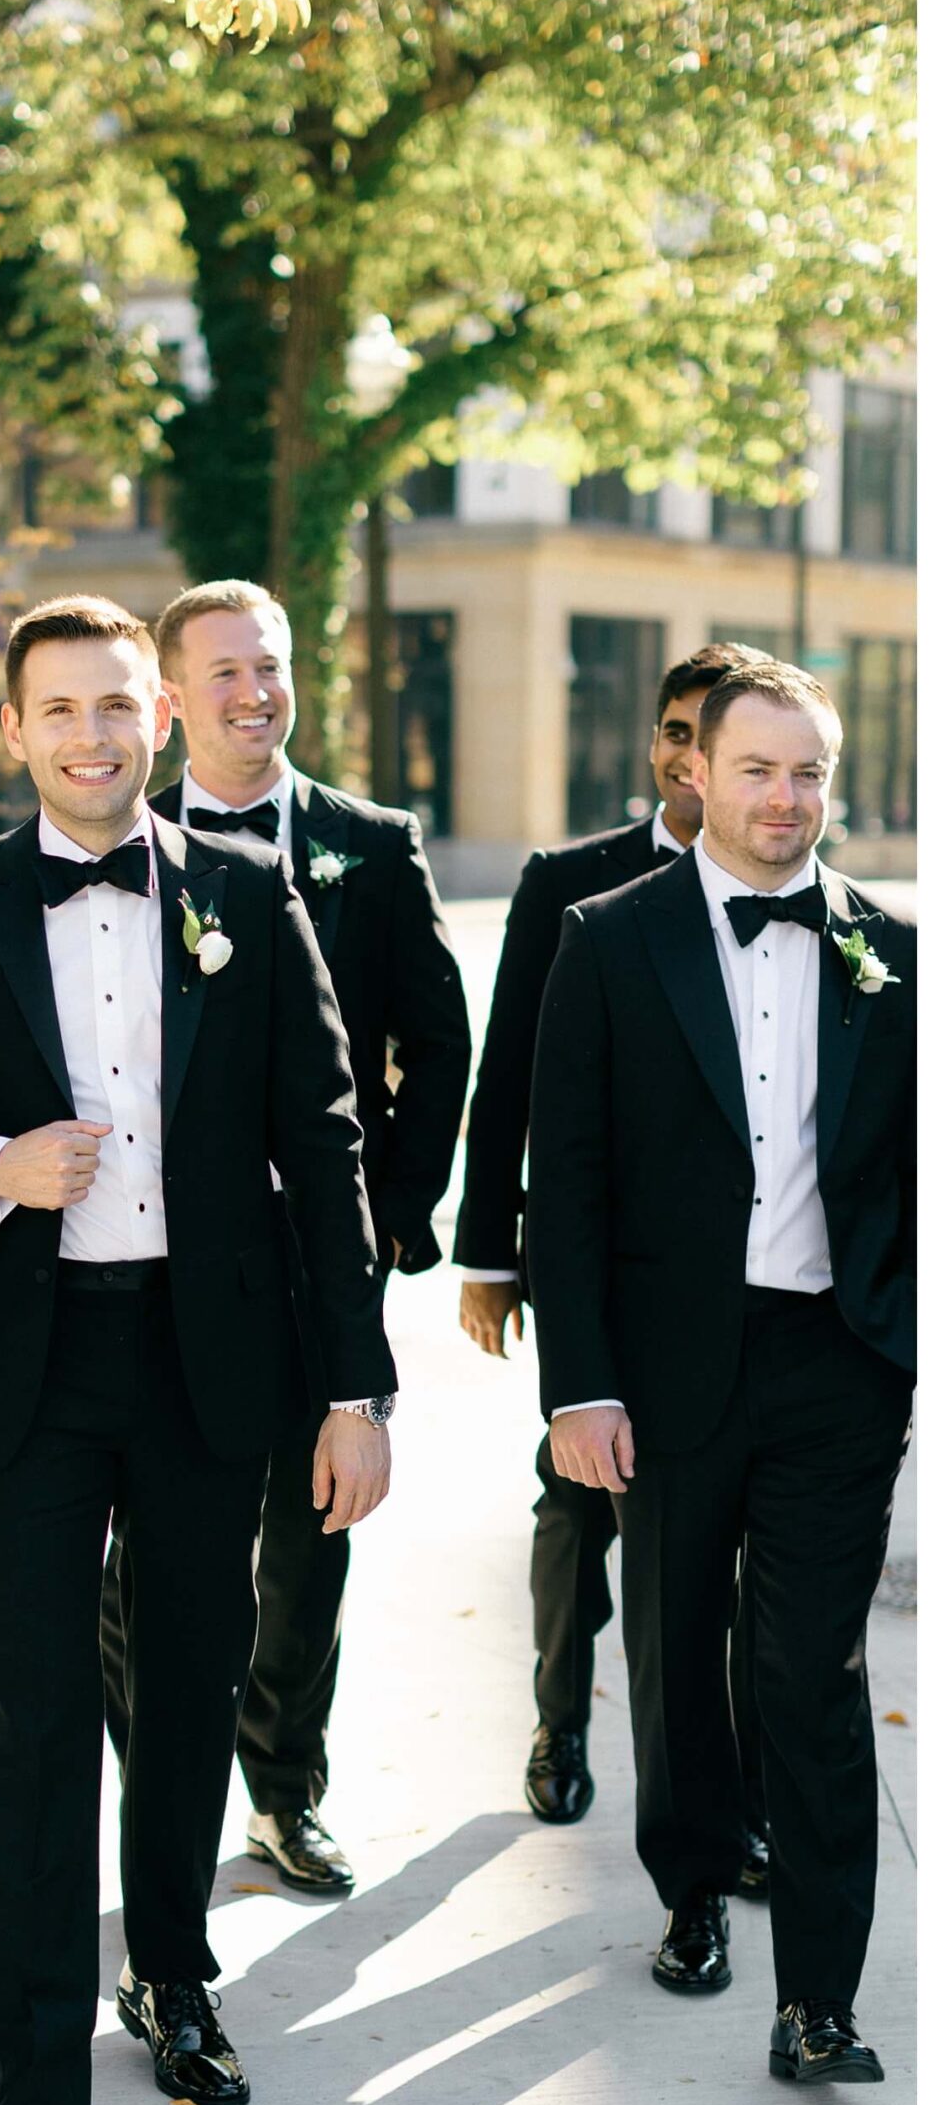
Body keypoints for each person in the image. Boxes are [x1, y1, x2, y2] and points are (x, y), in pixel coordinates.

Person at [0, 595, 397, 2105]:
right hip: (31, 1371)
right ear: (14, 733)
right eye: (56, 711)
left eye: (115, 706)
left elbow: (326, 1142)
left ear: (161, 720)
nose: (88, 736)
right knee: (38, 1732)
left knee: (196, 1696)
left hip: (216, 1368)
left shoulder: (246, 893)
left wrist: (354, 1389)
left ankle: (174, 1973)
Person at [528, 660, 913, 2084]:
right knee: (679, 1653)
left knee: (812, 1672)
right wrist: (580, 1386)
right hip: (665, 1367)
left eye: (808, 773)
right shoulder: (608, 940)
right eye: (758, 771)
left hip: (837, 1366)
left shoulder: (894, 951)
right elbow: (562, 1183)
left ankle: (820, 2000)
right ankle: (693, 1893)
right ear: (698, 776)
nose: (785, 799)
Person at [98, 578, 469, 1894]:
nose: (257, 693)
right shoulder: (113, 845)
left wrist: (386, 1218)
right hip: (149, 1263)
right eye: (227, 673)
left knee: (309, 1539)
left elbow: (436, 1039)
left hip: (317, 1262)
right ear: (169, 696)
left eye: (273, 667)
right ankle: (166, 1794)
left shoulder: (368, 844)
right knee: (142, 1545)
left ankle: (283, 1789)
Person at [455, 644, 772, 1850]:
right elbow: (511, 1083)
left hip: (736, 1288)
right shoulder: (568, 884)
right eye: (685, 734)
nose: (700, 759)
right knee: (577, 1509)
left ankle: (717, 1789)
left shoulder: (790, 887)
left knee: (716, 1554)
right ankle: (557, 1718)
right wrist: (488, 1253)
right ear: (663, 748)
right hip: (593, 1268)